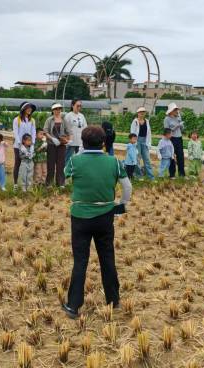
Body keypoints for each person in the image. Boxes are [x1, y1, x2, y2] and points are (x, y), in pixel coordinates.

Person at [61, 126, 132, 319]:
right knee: (107, 257)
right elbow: (127, 186)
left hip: (80, 216)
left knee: (80, 261)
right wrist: (122, 205)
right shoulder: (114, 162)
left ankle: (73, 305)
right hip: (105, 215)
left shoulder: (75, 161)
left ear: (83, 143)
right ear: (103, 143)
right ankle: (113, 299)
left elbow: (66, 179)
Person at [44, 103, 71, 187]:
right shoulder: (49, 120)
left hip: (61, 145)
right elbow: (45, 131)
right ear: (52, 110)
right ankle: (49, 184)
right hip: (51, 145)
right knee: (51, 164)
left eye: (59, 109)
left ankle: (61, 183)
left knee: (61, 165)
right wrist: (52, 138)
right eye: (56, 109)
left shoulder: (64, 120)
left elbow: (69, 132)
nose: (58, 110)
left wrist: (67, 140)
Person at [12, 102, 37, 185]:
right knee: (18, 164)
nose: (30, 109)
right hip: (18, 146)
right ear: (23, 109)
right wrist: (20, 145)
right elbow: (16, 132)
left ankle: (27, 184)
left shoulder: (32, 120)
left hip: (29, 146)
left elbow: (33, 132)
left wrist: (32, 144)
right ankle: (15, 184)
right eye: (28, 107)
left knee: (28, 165)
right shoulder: (17, 120)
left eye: (31, 108)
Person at [130, 107, 154, 179]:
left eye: (143, 112)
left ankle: (151, 177)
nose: (142, 113)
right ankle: (138, 175)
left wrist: (149, 142)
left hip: (145, 141)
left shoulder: (147, 121)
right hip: (137, 141)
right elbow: (132, 132)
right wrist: (134, 142)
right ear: (138, 113)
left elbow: (149, 133)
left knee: (147, 159)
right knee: (137, 159)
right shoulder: (135, 122)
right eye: (140, 112)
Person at [164, 103, 185, 177]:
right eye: (175, 110)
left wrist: (181, 125)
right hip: (171, 139)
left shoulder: (179, 117)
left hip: (179, 138)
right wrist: (176, 126)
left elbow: (182, 129)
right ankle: (172, 174)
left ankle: (182, 174)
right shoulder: (167, 119)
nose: (177, 111)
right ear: (171, 111)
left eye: (177, 109)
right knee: (172, 157)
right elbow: (167, 131)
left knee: (181, 156)